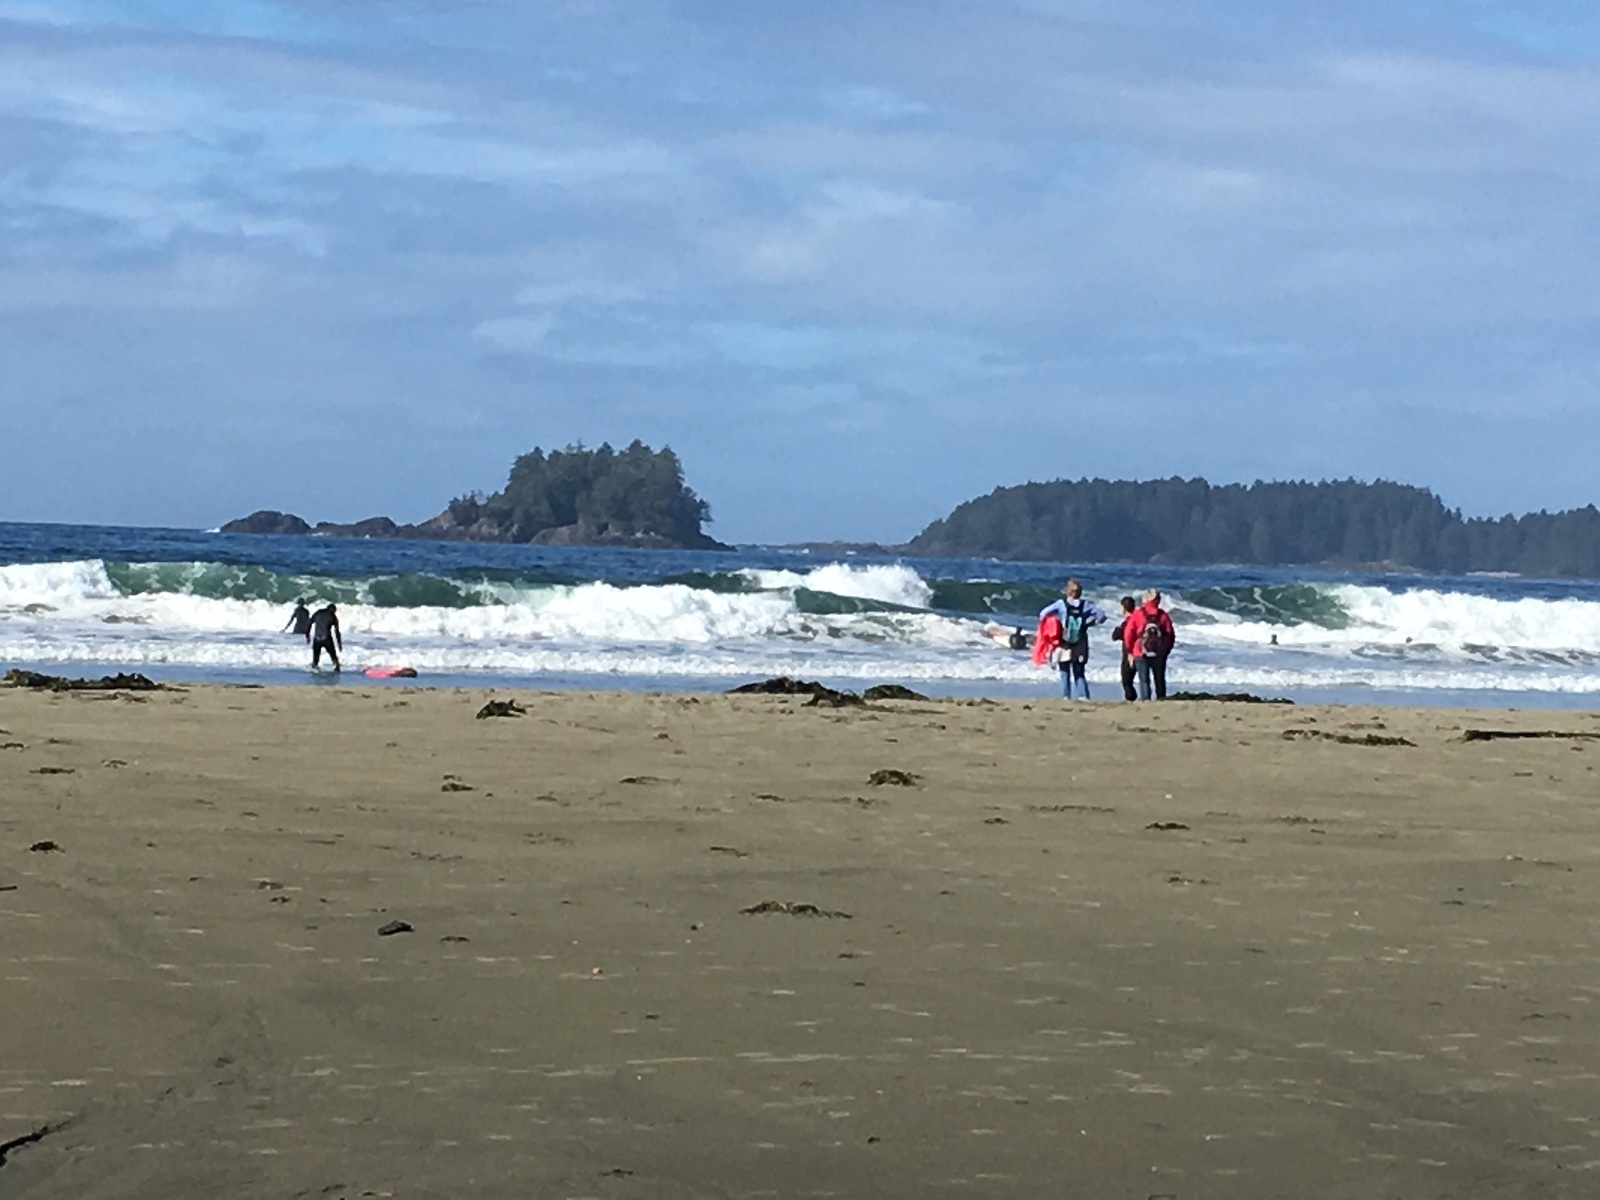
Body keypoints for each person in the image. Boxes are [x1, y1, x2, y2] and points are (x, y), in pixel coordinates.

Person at [1038, 579, 1107, 699]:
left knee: (1064, 671)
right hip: (1080, 641)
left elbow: (1043, 613)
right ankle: (1083, 696)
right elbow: (1102, 616)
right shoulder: (1085, 605)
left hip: (1064, 642)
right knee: (1079, 671)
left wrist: (1054, 624)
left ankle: (1066, 696)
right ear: (1080, 592)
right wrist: (1088, 623)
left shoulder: (1061, 604)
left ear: (1067, 591)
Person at [1122, 589, 1175, 700]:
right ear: (1157, 600)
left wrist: (1130, 651)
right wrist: (1166, 650)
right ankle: (1161, 699)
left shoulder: (1137, 614)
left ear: (1145, 599)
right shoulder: (1163, 615)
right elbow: (1170, 635)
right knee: (1159, 679)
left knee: (1144, 680)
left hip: (1140, 652)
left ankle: (1146, 701)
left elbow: (1128, 635)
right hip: (1159, 652)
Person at [1109, 595, 1138, 702]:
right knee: (1145, 679)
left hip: (1129, 653)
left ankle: (1131, 699)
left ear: (1124, 608)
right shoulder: (1140, 620)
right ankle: (1147, 697)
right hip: (1141, 651)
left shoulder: (1127, 623)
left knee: (1126, 681)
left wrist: (1117, 630)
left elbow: (1115, 636)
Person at [308, 603, 342, 671]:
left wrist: (307, 635)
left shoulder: (318, 613)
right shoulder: (333, 617)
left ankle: (314, 670)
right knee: (333, 656)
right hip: (326, 639)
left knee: (315, 659)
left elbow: (309, 623)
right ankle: (337, 669)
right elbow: (337, 632)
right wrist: (339, 644)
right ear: (333, 610)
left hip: (317, 638)